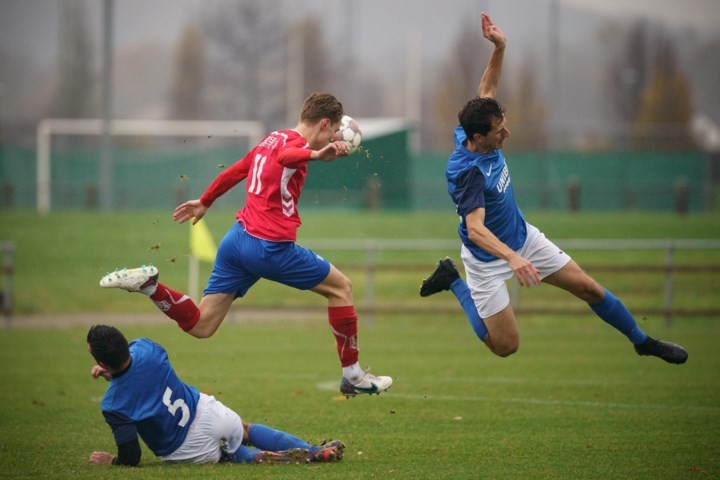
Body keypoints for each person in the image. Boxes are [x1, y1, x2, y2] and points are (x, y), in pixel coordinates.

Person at [419, 13, 687, 365]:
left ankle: (642, 341)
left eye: (505, 124)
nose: (507, 134)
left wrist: (500, 47)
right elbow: (476, 229)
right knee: (506, 346)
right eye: (500, 131)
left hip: (524, 238)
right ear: (478, 137)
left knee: (588, 287)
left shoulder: (471, 130)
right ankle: (454, 280)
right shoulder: (467, 172)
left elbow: (487, 91)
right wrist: (512, 258)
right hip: (486, 260)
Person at [99, 92, 392, 397]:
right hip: (270, 248)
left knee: (202, 326)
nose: (332, 138)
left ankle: (150, 286)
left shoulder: (272, 139)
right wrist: (317, 155)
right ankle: (353, 376)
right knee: (341, 288)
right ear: (323, 124)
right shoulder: (298, 147)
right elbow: (287, 158)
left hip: (237, 241)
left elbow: (238, 169)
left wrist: (205, 201)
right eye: (333, 131)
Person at [86, 324, 345, 467]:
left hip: (186, 448)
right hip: (206, 411)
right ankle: (313, 450)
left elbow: (131, 457)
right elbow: (137, 370)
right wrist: (116, 372)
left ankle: (283, 458)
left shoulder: (113, 404)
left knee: (232, 455)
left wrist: (113, 462)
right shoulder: (147, 348)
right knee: (245, 430)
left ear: (101, 361)